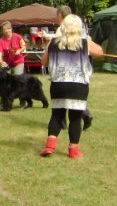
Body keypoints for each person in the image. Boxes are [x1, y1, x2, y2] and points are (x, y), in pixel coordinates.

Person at [39, 15, 103, 158]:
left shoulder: (53, 42)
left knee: (56, 115)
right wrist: (90, 41)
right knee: (75, 118)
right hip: (78, 85)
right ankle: (73, 150)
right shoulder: (84, 42)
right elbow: (100, 52)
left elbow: (43, 62)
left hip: (58, 84)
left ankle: (50, 146)